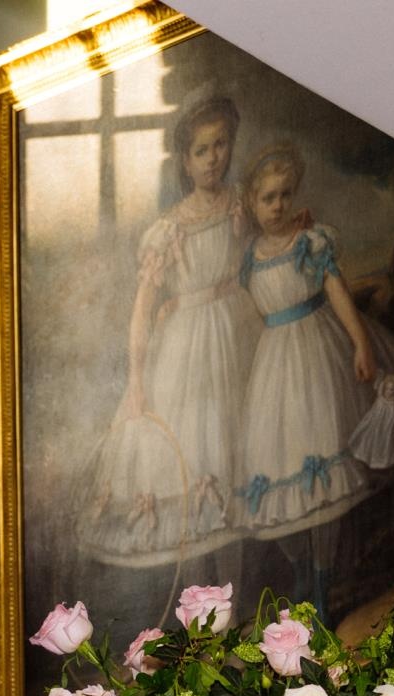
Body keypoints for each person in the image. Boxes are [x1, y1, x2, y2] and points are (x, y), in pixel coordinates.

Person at [78, 95, 260, 570]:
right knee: (197, 464)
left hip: (241, 336)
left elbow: (262, 251)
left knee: (240, 458)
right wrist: (138, 380)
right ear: (184, 159)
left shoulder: (242, 201)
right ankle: (202, 610)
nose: (214, 157)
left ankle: (241, 605)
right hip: (187, 355)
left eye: (221, 144)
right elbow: (142, 310)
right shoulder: (169, 229)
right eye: (202, 150)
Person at [232, 143, 394, 543]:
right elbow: (248, 312)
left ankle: (336, 562)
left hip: (322, 349)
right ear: (252, 202)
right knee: (286, 454)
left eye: (285, 195)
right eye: (267, 198)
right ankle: (309, 572)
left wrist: (362, 344)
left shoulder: (311, 241)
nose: (277, 206)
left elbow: (339, 293)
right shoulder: (249, 258)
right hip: (276, 365)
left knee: (330, 440)